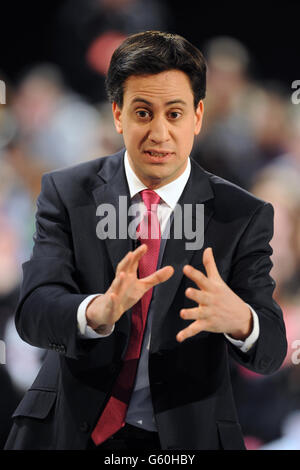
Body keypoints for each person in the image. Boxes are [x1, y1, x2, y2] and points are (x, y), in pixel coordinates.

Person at [4, 31, 287, 451]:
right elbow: (34, 312)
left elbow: (272, 348)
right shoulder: (67, 194)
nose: (159, 132)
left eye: (174, 114)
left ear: (198, 116)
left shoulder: (242, 215)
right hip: (68, 431)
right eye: (142, 112)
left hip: (185, 438)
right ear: (118, 115)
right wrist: (95, 311)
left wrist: (242, 320)